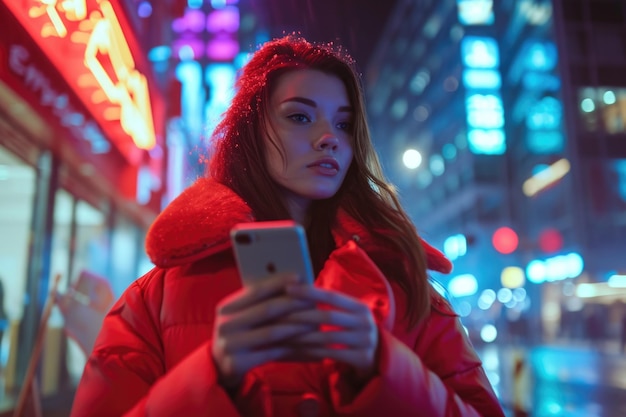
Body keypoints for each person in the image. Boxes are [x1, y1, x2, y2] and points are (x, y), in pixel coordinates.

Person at [70, 35, 505, 417]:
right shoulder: (154, 299)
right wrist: (213, 375)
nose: (329, 137)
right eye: (300, 116)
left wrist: (384, 367)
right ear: (251, 131)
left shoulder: (409, 290)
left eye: (344, 123)